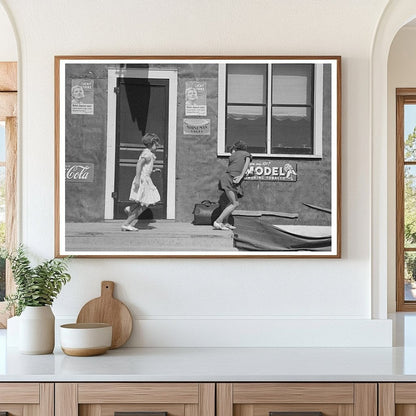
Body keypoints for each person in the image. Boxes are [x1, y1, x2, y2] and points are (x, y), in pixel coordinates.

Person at [122, 133, 161, 231]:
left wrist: (153, 170)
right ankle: (126, 224)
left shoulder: (149, 153)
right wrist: (138, 179)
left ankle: (131, 209)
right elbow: (139, 164)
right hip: (143, 180)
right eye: (156, 145)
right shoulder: (147, 153)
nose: (158, 147)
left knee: (142, 202)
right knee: (144, 204)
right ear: (150, 144)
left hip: (146, 179)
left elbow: (145, 167)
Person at [213, 140, 252, 231]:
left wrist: (244, 175)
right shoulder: (246, 154)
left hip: (227, 179)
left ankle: (225, 223)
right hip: (231, 180)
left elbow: (235, 169)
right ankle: (218, 221)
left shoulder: (232, 156)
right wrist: (242, 175)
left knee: (231, 202)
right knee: (235, 203)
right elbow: (246, 164)